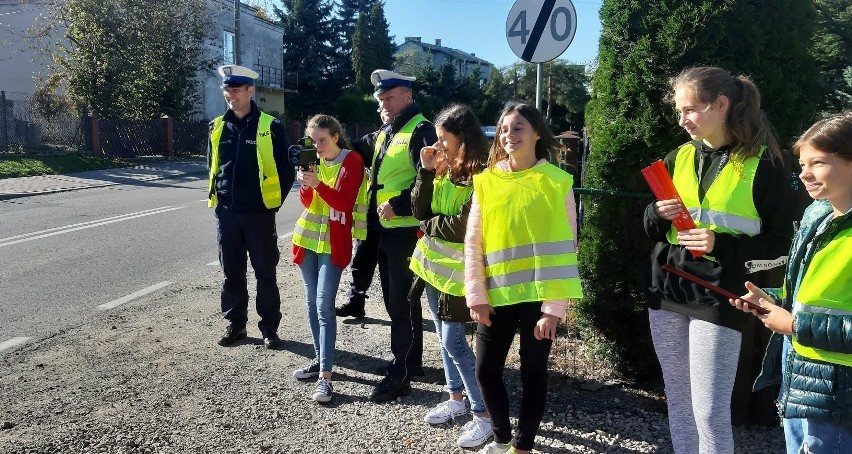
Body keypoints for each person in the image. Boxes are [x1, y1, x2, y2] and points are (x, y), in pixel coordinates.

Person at [642, 66, 794, 453]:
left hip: (720, 295)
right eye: (678, 111)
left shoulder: (767, 164)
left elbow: (783, 243)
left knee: (710, 412)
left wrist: (719, 243)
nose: (682, 120)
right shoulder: (677, 157)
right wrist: (655, 214)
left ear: (721, 104)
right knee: (677, 402)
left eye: (690, 109)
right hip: (668, 287)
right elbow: (651, 227)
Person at [731, 111, 852, 454]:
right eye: (802, 163)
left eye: (819, 162)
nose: (805, 173)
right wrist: (772, 301)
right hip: (802, 384)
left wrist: (794, 325)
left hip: (840, 398)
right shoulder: (818, 218)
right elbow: (808, 294)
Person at [465, 103, 582, 454]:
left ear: (536, 134)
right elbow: (474, 243)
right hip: (495, 296)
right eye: (504, 129)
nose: (508, 135)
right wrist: (476, 295)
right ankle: (501, 439)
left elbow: (567, 247)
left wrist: (554, 308)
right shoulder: (486, 182)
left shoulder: (557, 182)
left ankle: (523, 447)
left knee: (533, 375)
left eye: (517, 128)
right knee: (486, 372)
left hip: (540, 299)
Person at [340, 69, 437, 402]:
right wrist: (323, 144)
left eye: (389, 97)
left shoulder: (420, 130)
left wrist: (398, 203)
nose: (383, 103)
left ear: (407, 96)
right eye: (380, 99)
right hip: (384, 231)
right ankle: (410, 363)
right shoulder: (387, 131)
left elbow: (431, 180)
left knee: (400, 302)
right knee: (400, 302)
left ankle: (401, 374)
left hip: (405, 231)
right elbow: (355, 149)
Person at [409, 104, 492, 448]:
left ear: (464, 139)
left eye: (444, 139)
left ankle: (484, 415)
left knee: (454, 342)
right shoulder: (442, 167)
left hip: (462, 275)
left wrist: (428, 225)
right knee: (444, 340)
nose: (438, 145)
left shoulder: (482, 176)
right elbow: (419, 208)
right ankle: (456, 398)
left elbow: (461, 227)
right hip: (433, 269)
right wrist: (425, 172)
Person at [207, 64, 295, 349]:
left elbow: (286, 171)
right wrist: (220, 200)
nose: (231, 95)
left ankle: (270, 328)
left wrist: (272, 205)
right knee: (232, 272)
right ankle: (236, 325)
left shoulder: (271, 126)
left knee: (265, 273)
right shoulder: (218, 126)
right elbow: (213, 166)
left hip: (258, 215)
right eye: (227, 90)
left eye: (236, 90)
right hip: (228, 214)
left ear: (250, 91)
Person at [291, 114, 368, 403]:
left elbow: (344, 204)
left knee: (324, 304)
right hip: (309, 238)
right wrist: (306, 186)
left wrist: (318, 184)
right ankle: (319, 359)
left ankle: (326, 378)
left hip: (333, 242)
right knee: (312, 303)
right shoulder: (312, 160)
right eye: (313, 140)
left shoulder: (352, 161)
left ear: (336, 136)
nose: (317, 145)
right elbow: (308, 203)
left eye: (322, 140)